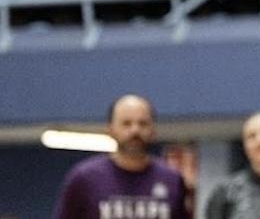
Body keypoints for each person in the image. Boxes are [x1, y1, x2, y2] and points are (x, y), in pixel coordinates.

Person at [53, 93, 190, 219]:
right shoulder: (84, 178)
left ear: (153, 130)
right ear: (111, 130)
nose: (135, 130)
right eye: (126, 123)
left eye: (143, 124)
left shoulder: (172, 179)